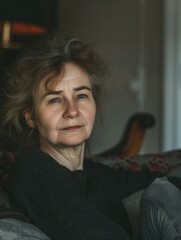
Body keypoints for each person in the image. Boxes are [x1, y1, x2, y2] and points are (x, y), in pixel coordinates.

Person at [1, 32, 181, 240]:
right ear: (31, 117)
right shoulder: (34, 174)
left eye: (82, 96)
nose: (73, 111)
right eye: (55, 100)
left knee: (162, 189)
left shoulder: (93, 174)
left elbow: (157, 179)